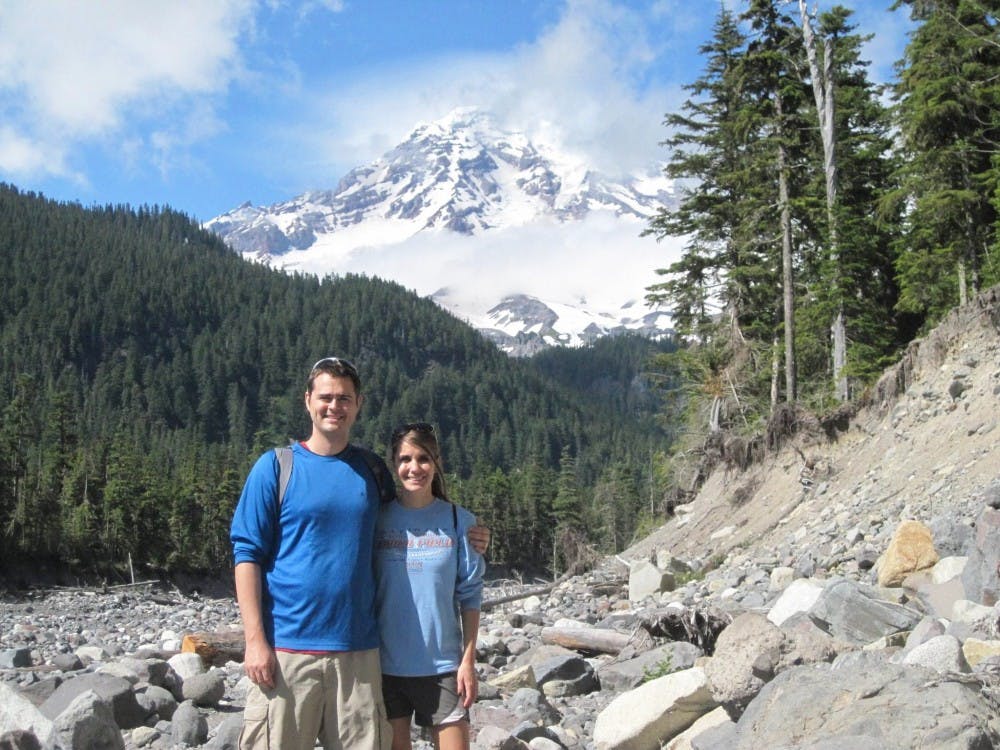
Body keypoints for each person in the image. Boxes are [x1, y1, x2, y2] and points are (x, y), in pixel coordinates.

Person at [230, 357, 489, 750]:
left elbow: (412, 508)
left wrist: (472, 534)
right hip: (287, 650)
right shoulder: (275, 467)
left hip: (361, 656)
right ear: (308, 401)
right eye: (327, 397)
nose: (335, 406)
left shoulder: (370, 471)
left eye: (344, 398)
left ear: (358, 404)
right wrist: (254, 640)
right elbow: (246, 554)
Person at [374, 422, 485, 750]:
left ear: (437, 463)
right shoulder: (377, 518)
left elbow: (471, 595)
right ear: (394, 463)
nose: (414, 468)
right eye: (405, 459)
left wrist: (468, 662)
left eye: (423, 458)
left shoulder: (459, 521)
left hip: (442, 667)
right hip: (384, 666)